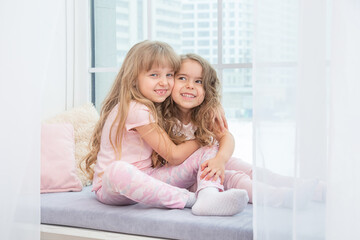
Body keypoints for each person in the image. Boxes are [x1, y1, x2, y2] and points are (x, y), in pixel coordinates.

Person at [81, 40, 248, 216]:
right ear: (133, 78)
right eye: (154, 75)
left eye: (169, 75)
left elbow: (215, 130)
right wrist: (202, 138)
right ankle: (190, 200)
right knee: (118, 170)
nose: (164, 82)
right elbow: (173, 155)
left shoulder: (154, 105)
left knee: (210, 148)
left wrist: (212, 105)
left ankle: (209, 195)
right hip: (111, 187)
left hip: (149, 177)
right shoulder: (135, 109)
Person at [158, 53, 323, 208]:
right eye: (182, 78)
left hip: (212, 160)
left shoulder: (205, 114)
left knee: (252, 171)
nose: (190, 86)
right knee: (235, 178)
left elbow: (226, 137)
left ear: (207, 89)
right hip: (187, 176)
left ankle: (307, 188)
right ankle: (281, 197)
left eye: (198, 81)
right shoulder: (161, 116)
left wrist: (221, 160)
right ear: (170, 81)